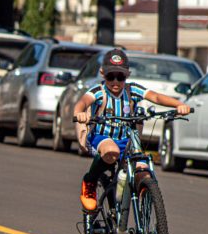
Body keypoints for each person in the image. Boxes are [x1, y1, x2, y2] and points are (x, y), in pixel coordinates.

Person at [74, 48, 191, 211]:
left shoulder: (132, 90)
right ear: (102, 73)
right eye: (110, 76)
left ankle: (145, 210)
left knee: (144, 172)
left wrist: (179, 105)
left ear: (127, 75)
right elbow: (83, 102)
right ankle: (90, 181)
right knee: (111, 151)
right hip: (101, 138)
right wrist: (79, 113)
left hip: (127, 141)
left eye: (120, 77)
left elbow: (156, 97)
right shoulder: (98, 91)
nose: (115, 81)